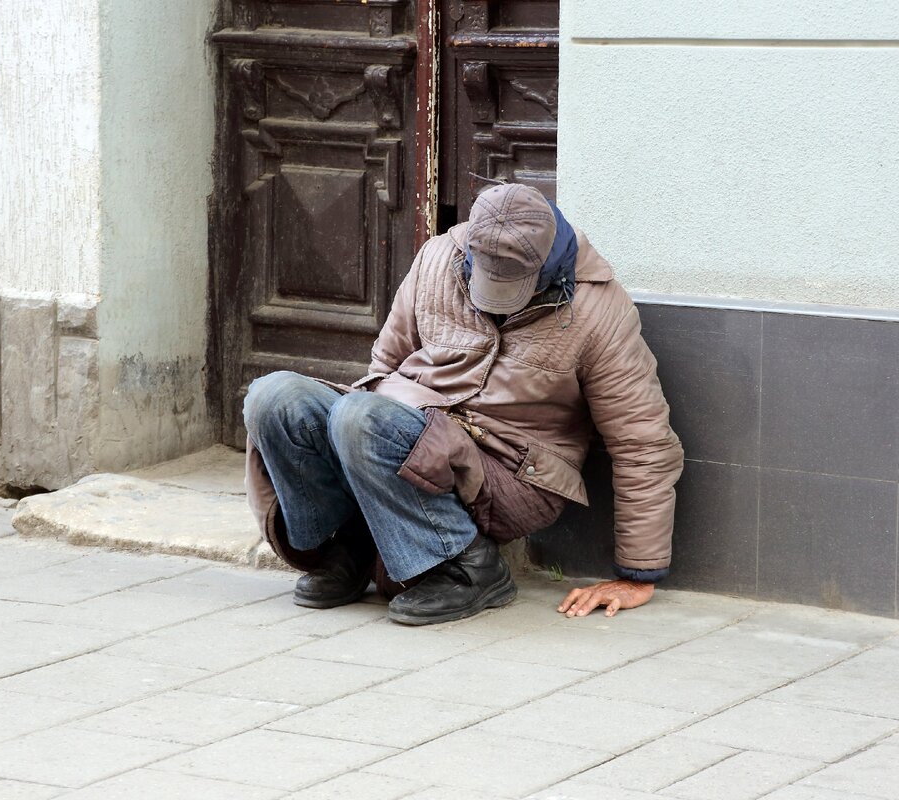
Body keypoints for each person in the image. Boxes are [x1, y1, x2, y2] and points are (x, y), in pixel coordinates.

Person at [243, 182, 683, 625]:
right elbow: (384, 367)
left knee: (363, 418)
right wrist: (374, 447)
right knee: (275, 397)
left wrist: (637, 574)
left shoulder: (599, 309)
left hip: (511, 470)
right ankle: (348, 545)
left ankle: (472, 567)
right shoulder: (437, 257)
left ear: (548, 266)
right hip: (411, 427)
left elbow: (642, 441)